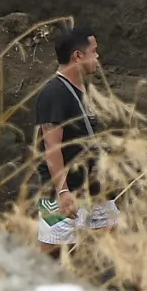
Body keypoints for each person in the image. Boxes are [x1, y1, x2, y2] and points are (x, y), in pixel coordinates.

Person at [34, 25, 108, 255]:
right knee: (52, 255)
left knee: (114, 244)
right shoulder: (54, 93)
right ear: (78, 56)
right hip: (62, 192)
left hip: (91, 188)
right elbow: (52, 147)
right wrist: (63, 191)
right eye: (93, 51)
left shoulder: (80, 90)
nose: (97, 57)